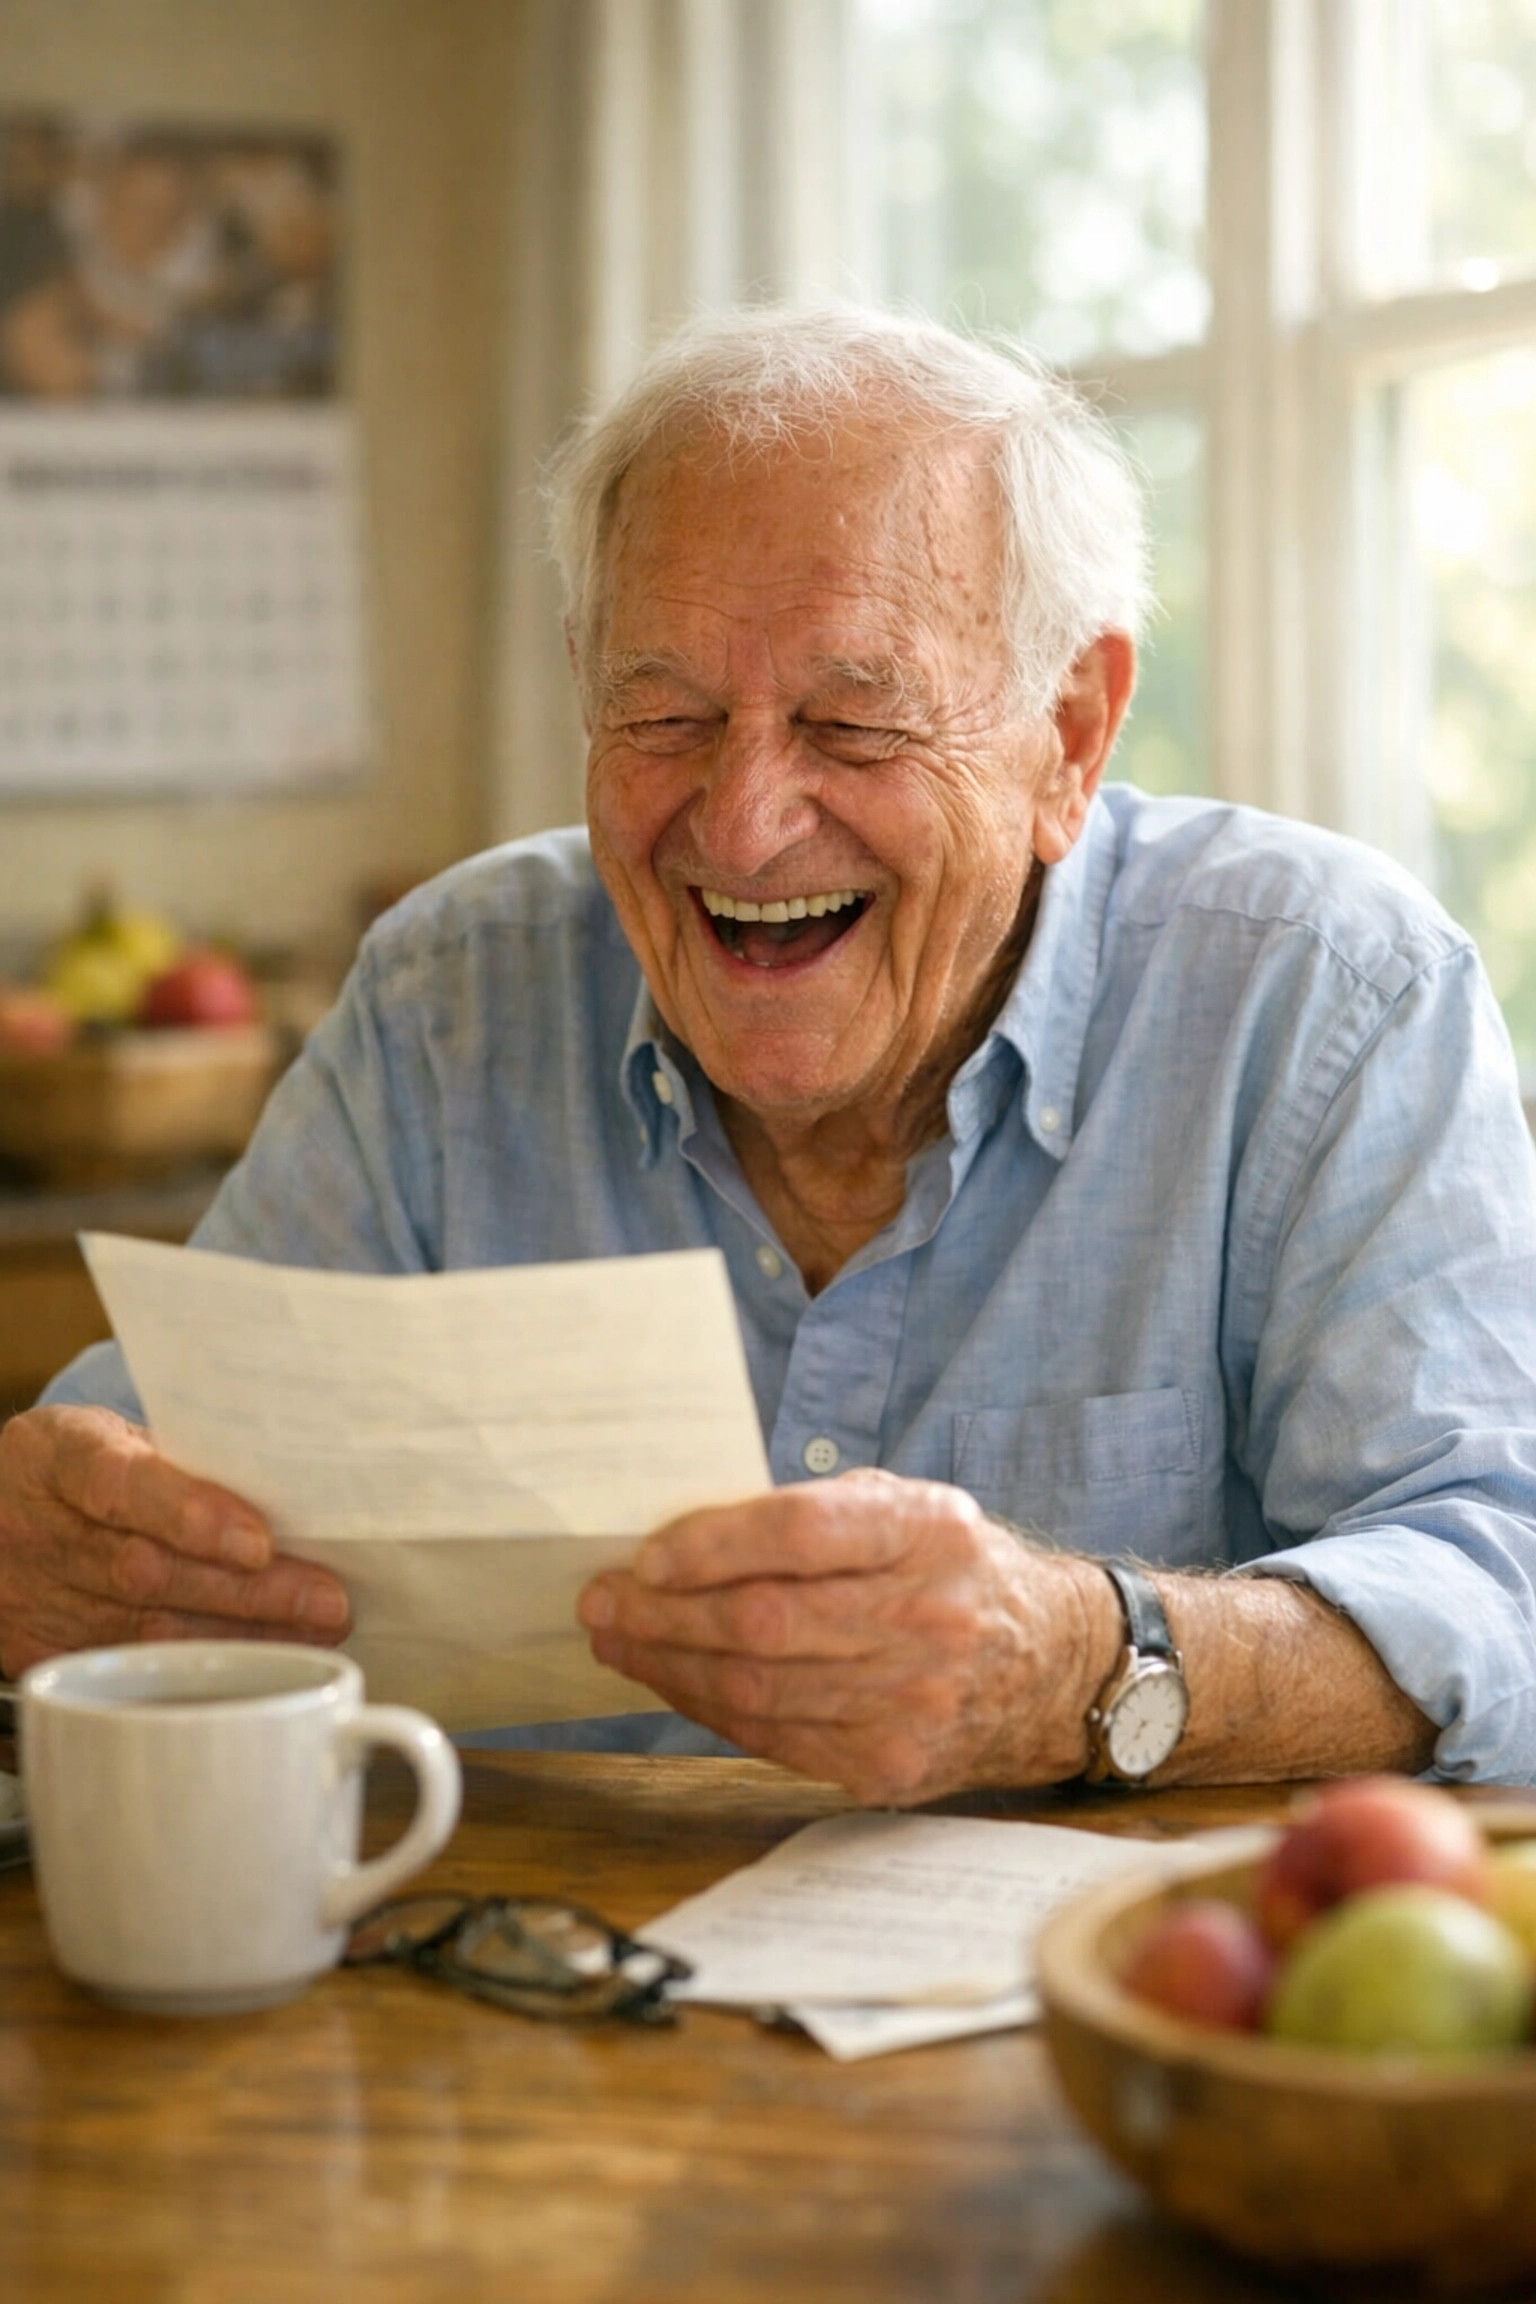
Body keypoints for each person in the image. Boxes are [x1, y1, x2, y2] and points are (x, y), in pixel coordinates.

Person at [4, 306, 1535, 1803]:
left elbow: (1496, 1590)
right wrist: (67, 1543)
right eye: (661, 715)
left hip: (1090, 2025)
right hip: (503, 1999)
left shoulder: (1327, 996)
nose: (741, 825)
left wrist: (1091, 1664)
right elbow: (131, 1476)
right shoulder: (452, 998)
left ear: (1070, 733)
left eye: (852, 728)